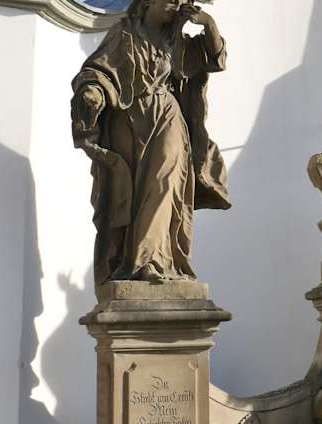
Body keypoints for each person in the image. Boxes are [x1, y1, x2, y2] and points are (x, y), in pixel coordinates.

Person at [71, 0, 231, 285]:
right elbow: (98, 71)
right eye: (170, 0)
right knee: (130, 193)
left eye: (180, 1)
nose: (176, 5)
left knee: (163, 183)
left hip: (167, 116)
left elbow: (216, 59)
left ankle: (153, 260)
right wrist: (93, 92)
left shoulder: (177, 40)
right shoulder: (124, 33)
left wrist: (208, 24)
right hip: (129, 121)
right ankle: (131, 261)